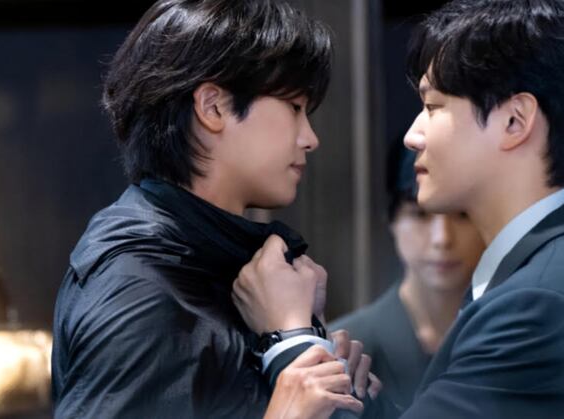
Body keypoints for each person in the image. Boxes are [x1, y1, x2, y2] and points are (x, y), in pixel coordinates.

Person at [233, 0, 564, 417]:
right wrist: (358, 399)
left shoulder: (535, 301)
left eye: (433, 107)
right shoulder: (530, 276)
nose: (413, 135)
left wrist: (291, 340)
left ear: (515, 120)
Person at [51, 1, 376, 418]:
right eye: (294, 107)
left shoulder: (216, 264)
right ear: (213, 107)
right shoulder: (139, 288)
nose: (310, 138)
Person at [330, 138, 485, 411]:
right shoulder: (347, 350)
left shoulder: (510, 335)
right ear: (392, 220)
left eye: (462, 215)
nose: (442, 239)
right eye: (420, 215)